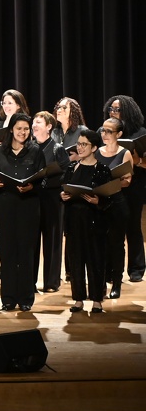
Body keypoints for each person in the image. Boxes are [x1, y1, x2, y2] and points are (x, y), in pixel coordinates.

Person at [0, 113, 45, 311]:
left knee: (26, 252)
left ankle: (26, 298)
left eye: (26, 129)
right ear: (11, 129)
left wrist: (32, 187)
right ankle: (8, 299)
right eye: (19, 128)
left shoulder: (35, 151)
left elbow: (43, 179)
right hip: (5, 206)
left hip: (28, 205)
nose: (23, 132)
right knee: (7, 252)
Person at [62, 127, 115, 315]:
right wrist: (64, 195)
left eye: (84, 144)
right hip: (74, 221)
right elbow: (65, 188)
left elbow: (110, 197)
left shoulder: (102, 170)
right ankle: (78, 299)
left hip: (94, 221)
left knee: (95, 260)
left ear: (93, 148)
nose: (80, 147)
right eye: (79, 144)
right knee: (76, 260)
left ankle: (97, 300)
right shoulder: (72, 167)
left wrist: (98, 200)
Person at [103, 95, 145, 284]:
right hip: (111, 186)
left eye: (117, 109)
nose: (113, 112)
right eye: (111, 109)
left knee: (133, 227)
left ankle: (136, 269)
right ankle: (113, 269)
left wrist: (138, 161)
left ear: (128, 111)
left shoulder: (139, 133)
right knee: (112, 230)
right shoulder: (105, 131)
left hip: (134, 186)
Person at [94, 115, 134, 300]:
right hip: (99, 204)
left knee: (116, 244)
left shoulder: (124, 153)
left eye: (109, 131)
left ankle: (116, 283)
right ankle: (100, 283)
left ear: (119, 134)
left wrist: (111, 181)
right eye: (103, 130)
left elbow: (127, 181)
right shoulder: (97, 152)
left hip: (117, 204)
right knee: (99, 245)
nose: (104, 134)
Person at [32, 111, 68, 294]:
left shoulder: (57, 148)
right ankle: (29, 281)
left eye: (39, 122)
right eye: (34, 122)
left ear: (48, 127)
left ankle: (51, 282)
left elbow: (66, 173)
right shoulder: (28, 147)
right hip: (32, 198)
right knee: (31, 242)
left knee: (52, 240)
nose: (34, 125)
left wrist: (49, 178)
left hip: (53, 199)